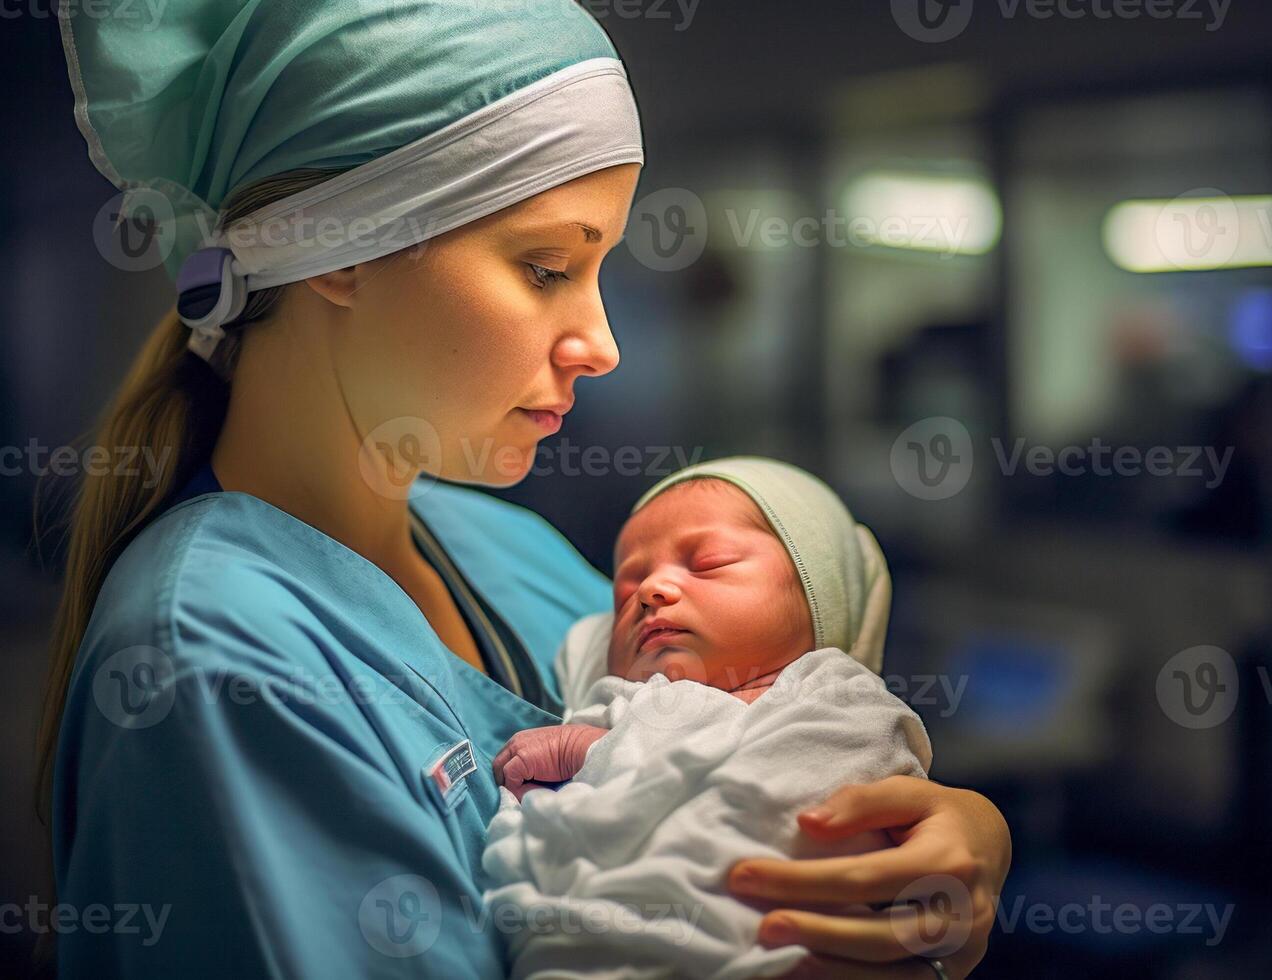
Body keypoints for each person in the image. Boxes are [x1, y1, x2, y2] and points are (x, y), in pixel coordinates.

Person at [38, 2, 1011, 977]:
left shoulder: (508, 549)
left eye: (598, 268)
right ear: (339, 244)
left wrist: (942, 828)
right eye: (546, 266)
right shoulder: (221, 661)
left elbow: (746, 739)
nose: (603, 343)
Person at [484, 457, 933, 977]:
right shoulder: (619, 704)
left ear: (818, 599)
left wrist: (589, 750)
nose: (652, 591)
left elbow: (789, 791)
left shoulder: (837, 697)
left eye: (709, 562)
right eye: (627, 587)